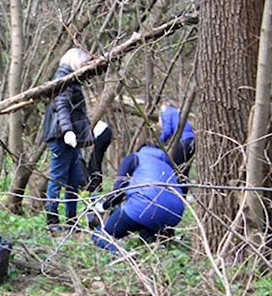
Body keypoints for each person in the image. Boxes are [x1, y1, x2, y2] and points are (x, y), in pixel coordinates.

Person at [90, 141, 185, 254]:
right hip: (175, 215)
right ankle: (158, 243)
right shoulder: (168, 165)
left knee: (99, 235)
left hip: (144, 207)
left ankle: (121, 254)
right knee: (147, 225)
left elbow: (119, 191)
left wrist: (103, 206)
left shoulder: (135, 157)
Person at [42, 47, 94, 232]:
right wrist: (67, 131)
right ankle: (52, 221)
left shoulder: (72, 78)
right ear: (75, 61)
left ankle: (71, 221)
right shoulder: (63, 77)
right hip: (60, 136)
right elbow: (61, 106)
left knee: (74, 178)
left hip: (68, 136)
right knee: (58, 178)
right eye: (83, 63)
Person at [158, 100, 195, 173]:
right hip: (192, 141)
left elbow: (167, 132)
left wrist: (159, 143)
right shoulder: (178, 113)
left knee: (175, 169)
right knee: (184, 170)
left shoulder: (167, 112)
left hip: (183, 142)